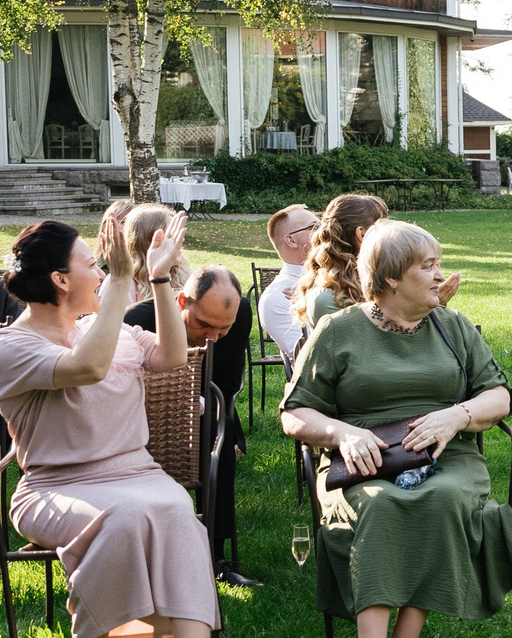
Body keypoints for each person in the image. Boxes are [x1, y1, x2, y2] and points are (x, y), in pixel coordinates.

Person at [0, 209, 223, 638]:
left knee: (178, 512)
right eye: (93, 265)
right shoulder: (8, 347)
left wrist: (157, 278)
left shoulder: (105, 324)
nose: (101, 272)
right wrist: (121, 280)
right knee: (121, 517)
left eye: (104, 266)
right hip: (54, 487)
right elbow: (86, 367)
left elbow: (172, 357)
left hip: (138, 473)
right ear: (60, 280)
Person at [281, 220, 512, 638]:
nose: (439, 276)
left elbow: (500, 396)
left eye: (438, 264)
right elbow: (294, 413)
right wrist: (343, 432)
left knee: (444, 499)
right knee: (380, 504)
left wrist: (458, 415)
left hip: (447, 456)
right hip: (364, 459)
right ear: (390, 278)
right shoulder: (337, 330)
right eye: (427, 267)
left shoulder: (453, 328)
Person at [126, 264, 256, 587]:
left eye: (222, 330)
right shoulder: (137, 319)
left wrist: (213, 407)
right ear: (182, 302)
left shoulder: (239, 315)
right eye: (204, 325)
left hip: (208, 404)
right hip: (147, 413)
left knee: (218, 442)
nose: (213, 336)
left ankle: (216, 554)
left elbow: (229, 379)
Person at [294, 193, 391, 331]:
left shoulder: (378, 276)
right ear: (362, 234)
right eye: (382, 227)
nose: (391, 235)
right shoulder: (328, 298)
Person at [258, 204, 318, 361]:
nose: (324, 231)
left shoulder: (339, 276)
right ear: (291, 240)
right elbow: (312, 359)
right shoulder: (276, 298)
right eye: (314, 227)